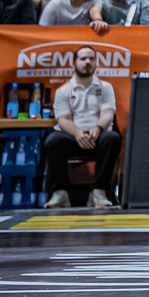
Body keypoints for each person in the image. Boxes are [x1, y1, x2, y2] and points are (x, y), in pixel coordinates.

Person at [41, 46, 121, 208]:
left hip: (98, 135)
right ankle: (60, 193)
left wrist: (98, 128)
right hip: (71, 136)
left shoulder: (106, 87)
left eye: (91, 58)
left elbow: (108, 114)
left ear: (96, 63)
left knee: (112, 138)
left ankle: (98, 192)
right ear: (74, 64)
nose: (88, 62)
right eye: (83, 59)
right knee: (53, 140)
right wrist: (77, 133)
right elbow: (63, 119)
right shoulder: (63, 91)